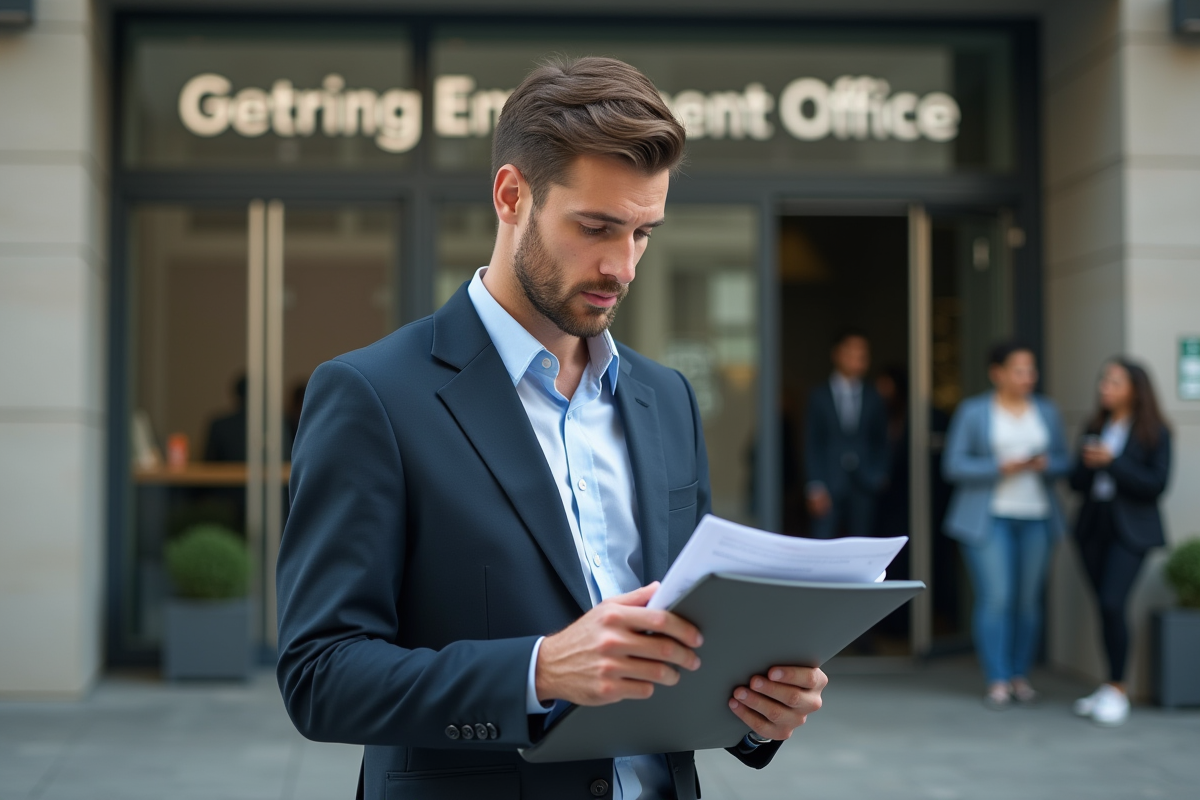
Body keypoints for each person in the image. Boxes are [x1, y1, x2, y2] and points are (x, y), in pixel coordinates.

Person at [275, 57, 827, 800]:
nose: (621, 265)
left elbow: (690, 633)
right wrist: (536, 671)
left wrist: (758, 709)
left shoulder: (665, 398)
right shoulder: (372, 394)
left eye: (643, 233)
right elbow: (321, 675)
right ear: (511, 196)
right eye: (595, 227)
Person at [942, 341, 1069, 709]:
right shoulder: (974, 411)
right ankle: (996, 678)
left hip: (1037, 518)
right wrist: (999, 467)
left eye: (1031, 370)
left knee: (1027, 602)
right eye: (1019, 370)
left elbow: (1064, 460)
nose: (1027, 377)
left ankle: (1019, 675)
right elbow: (953, 464)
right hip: (988, 518)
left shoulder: (1046, 411)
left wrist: (1046, 464)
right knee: (996, 597)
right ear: (996, 373)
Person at [1069, 359, 1171, 727]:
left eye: (1113, 382)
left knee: (1113, 603)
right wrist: (1084, 462)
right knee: (1104, 607)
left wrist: (1112, 463)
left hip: (1132, 531)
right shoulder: (1095, 425)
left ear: (1134, 388)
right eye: (1103, 381)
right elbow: (1076, 483)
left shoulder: (1155, 431)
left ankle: (1118, 688)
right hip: (1094, 527)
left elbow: (1155, 485)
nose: (1104, 388)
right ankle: (1108, 685)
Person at [804, 330, 889, 538]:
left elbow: (883, 440)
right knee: (822, 543)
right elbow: (811, 443)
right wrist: (815, 486)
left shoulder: (874, 396)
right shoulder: (818, 396)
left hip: (864, 483)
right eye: (851, 352)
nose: (858, 358)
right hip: (829, 483)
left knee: (862, 544)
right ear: (837, 354)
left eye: (862, 353)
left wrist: (879, 475)